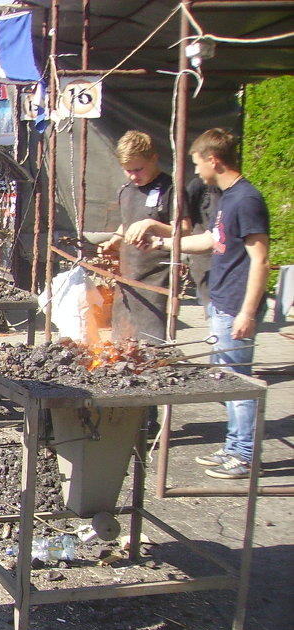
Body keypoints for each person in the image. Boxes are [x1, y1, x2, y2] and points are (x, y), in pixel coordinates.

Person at [154, 128, 270, 480]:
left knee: (239, 383)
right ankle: (234, 447)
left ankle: (245, 455)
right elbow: (208, 240)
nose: (196, 171)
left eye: (197, 163)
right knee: (228, 382)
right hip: (221, 300)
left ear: (213, 160)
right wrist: (164, 244)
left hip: (236, 304)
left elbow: (261, 259)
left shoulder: (246, 200)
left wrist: (247, 313)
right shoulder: (225, 198)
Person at [98, 130, 189, 343]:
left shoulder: (171, 190)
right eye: (127, 170)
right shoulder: (127, 190)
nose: (132, 176)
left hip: (156, 281)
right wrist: (114, 240)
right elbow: (128, 222)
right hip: (127, 279)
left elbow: (185, 230)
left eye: (138, 169)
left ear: (154, 159)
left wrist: (152, 225)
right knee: (122, 344)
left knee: (150, 344)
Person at [186, 174, 222, 307]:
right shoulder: (198, 184)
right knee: (208, 293)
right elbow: (186, 211)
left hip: (222, 246)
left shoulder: (228, 187)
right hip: (202, 244)